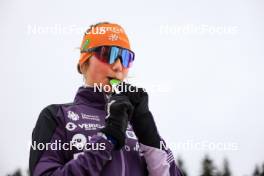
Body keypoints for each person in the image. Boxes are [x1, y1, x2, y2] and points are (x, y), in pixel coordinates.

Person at [29, 22, 183, 176]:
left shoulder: (136, 125)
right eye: (107, 54)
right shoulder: (57, 116)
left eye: (125, 57)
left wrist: (148, 133)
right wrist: (106, 140)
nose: (118, 66)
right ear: (84, 62)